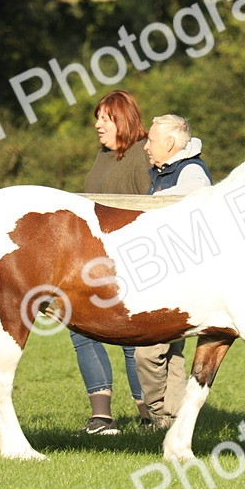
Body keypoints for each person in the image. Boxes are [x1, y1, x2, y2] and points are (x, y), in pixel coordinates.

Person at [75, 90, 151, 435]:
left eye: (105, 118)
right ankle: (101, 417)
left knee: (133, 339)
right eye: (97, 118)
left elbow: (153, 207)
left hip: (131, 262)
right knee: (81, 329)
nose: (97, 125)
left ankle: (149, 413)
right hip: (93, 260)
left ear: (123, 120)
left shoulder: (142, 154)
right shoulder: (102, 156)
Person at [133, 115, 212, 430]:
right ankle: (174, 418)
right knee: (173, 353)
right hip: (165, 274)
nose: (146, 147)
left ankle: (157, 414)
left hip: (176, 278)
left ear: (169, 143)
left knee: (147, 352)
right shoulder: (166, 170)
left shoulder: (191, 172)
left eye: (151, 140)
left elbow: (190, 208)